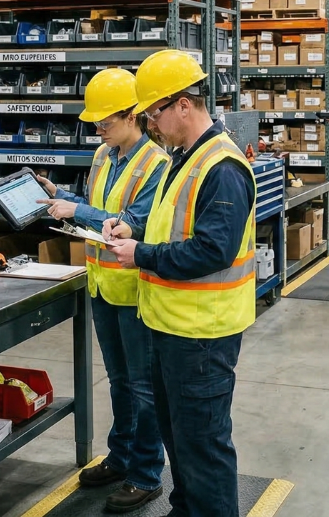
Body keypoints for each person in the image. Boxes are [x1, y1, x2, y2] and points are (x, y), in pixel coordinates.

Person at [103, 50, 257, 517]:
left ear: (183, 105)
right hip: (173, 329)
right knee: (181, 441)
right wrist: (137, 231)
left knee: (204, 448)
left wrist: (141, 255)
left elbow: (212, 251)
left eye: (155, 112)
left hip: (203, 337)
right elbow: (177, 224)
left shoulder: (222, 167)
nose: (150, 123)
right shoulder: (185, 157)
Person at [35, 68, 170, 513]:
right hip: (102, 284)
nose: (98, 129)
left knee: (144, 387)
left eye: (106, 122)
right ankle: (121, 457)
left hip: (135, 289)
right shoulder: (102, 154)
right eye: (95, 123)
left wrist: (79, 209)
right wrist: (62, 194)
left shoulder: (157, 164)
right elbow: (100, 203)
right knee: (119, 382)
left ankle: (147, 475)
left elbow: (136, 218)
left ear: (133, 116)